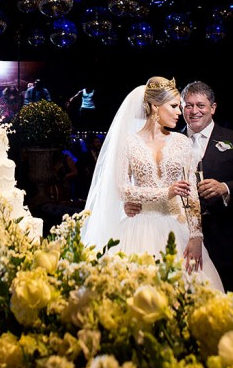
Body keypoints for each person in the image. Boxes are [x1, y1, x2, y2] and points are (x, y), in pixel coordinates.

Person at [81, 75, 224, 289]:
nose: (180, 112)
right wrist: (166, 192)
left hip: (176, 226)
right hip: (138, 226)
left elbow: (191, 194)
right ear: (155, 107)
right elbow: (122, 189)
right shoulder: (129, 143)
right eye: (175, 106)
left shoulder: (181, 142)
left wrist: (196, 236)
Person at [179, 80, 233, 291]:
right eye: (188, 105)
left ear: (213, 108)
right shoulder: (170, 141)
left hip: (225, 237)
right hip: (180, 235)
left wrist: (225, 188)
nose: (194, 111)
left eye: (200, 105)